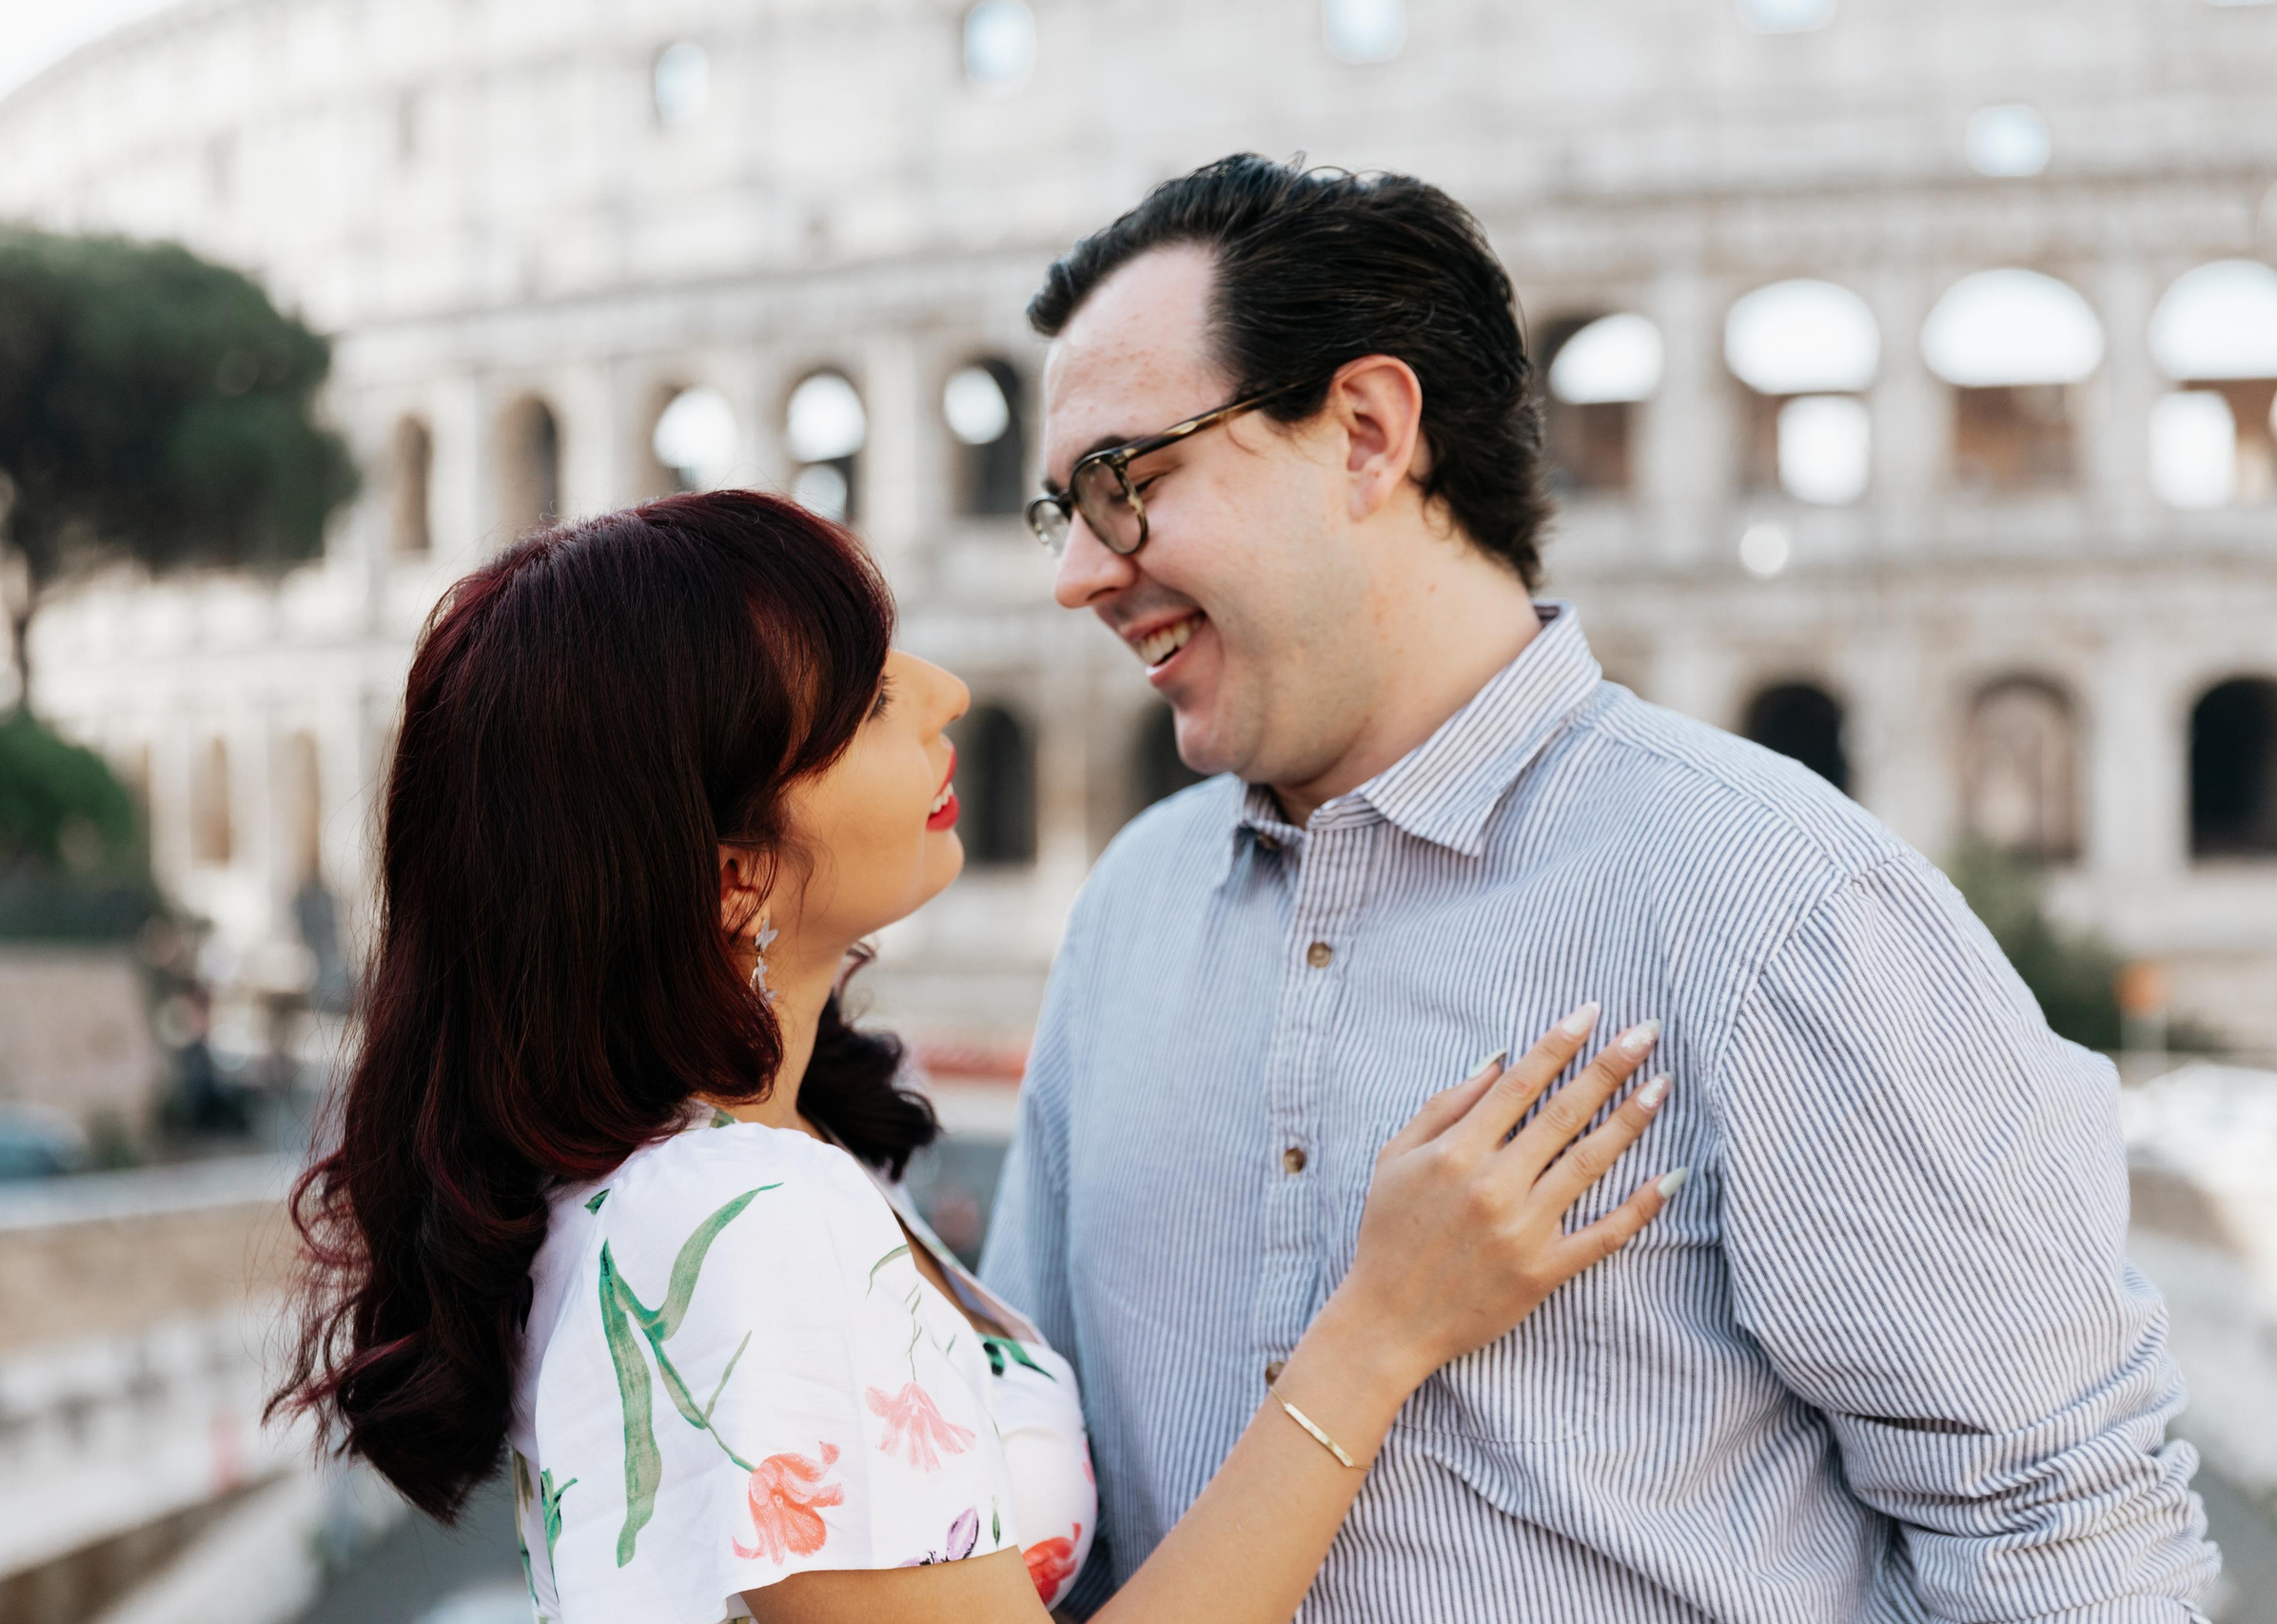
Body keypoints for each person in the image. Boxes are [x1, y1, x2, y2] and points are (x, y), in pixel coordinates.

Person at [981, 154, 2220, 1621]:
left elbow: (2067, 1537)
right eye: (1063, 511)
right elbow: (1033, 1496)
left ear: (1367, 433)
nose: (1078, 576)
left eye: (1126, 484)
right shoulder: (1128, 909)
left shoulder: (1780, 903)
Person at [269, 491, 1682, 1624]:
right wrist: (1379, 1336)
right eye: (869, 700)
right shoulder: (747, 1223)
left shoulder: (702, 1173)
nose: (945, 693)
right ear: (733, 876)